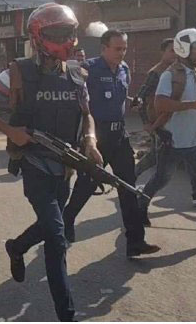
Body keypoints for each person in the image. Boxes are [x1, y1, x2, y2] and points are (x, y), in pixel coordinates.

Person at [0, 2, 101, 322]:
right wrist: (11, 131)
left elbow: (87, 116)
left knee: (49, 224)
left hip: (65, 165)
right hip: (34, 164)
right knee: (57, 238)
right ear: (39, 37)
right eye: (60, 34)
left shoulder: (76, 74)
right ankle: (66, 314)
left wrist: (91, 141)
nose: (69, 41)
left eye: (71, 34)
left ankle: (16, 247)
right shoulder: (17, 73)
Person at [57, 29, 159, 258]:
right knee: (87, 185)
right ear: (104, 48)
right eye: (117, 49)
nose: (121, 53)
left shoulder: (124, 70)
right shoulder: (89, 69)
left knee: (128, 186)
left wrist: (133, 103)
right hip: (96, 136)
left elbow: (120, 98)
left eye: (124, 48)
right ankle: (67, 219)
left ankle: (135, 241)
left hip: (119, 135)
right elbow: (76, 99)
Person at [140, 28, 196, 241]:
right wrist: (193, 105)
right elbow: (160, 104)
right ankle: (139, 206)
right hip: (172, 141)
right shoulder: (170, 74)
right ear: (184, 49)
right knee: (161, 179)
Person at [135, 38, 196, 206]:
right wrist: (147, 124)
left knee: (188, 156)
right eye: (171, 51)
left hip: (179, 122)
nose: (175, 54)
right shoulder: (156, 73)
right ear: (163, 52)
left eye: (177, 51)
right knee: (157, 161)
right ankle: (132, 178)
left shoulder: (181, 71)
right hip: (162, 124)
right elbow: (140, 98)